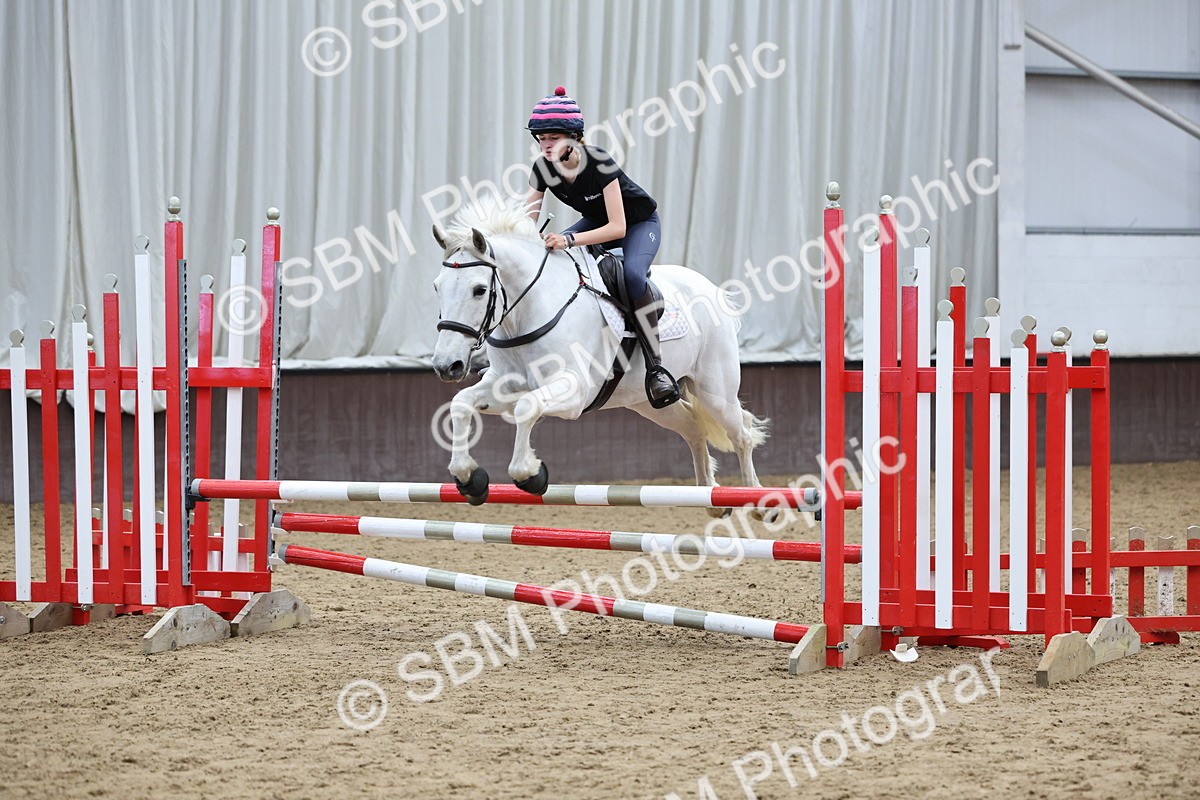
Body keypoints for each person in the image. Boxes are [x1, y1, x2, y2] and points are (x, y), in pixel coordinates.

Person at [523, 86, 680, 409]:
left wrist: (568, 239)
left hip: (637, 225)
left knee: (633, 276)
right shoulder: (542, 168)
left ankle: (656, 368)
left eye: (554, 138)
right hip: (597, 223)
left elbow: (618, 227)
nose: (546, 145)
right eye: (541, 138)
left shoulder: (600, 162)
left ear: (574, 138)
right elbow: (526, 221)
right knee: (551, 259)